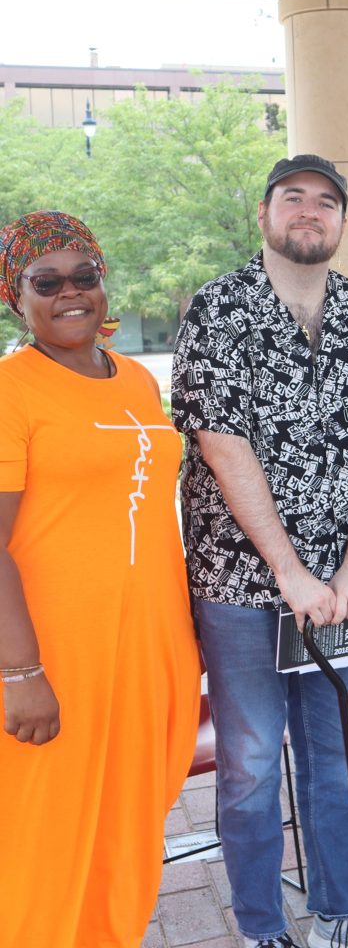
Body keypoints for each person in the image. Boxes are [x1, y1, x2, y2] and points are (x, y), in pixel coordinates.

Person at [172, 154, 348, 948]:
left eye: (327, 202)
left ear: (343, 223)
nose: (310, 212)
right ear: (266, 215)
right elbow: (221, 444)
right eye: (293, 198)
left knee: (339, 757)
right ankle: (262, 929)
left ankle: (341, 916)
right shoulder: (218, 308)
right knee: (248, 768)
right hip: (244, 588)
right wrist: (292, 574)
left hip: (341, 591)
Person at [0, 211, 200, 947]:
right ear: (13, 296)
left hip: (149, 649)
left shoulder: (139, 382)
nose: (70, 293)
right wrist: (20, 672)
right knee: (42, 843)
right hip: (55, 656)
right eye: (45, 281)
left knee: (127, 831)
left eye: (85, 274)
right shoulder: (11, 391)